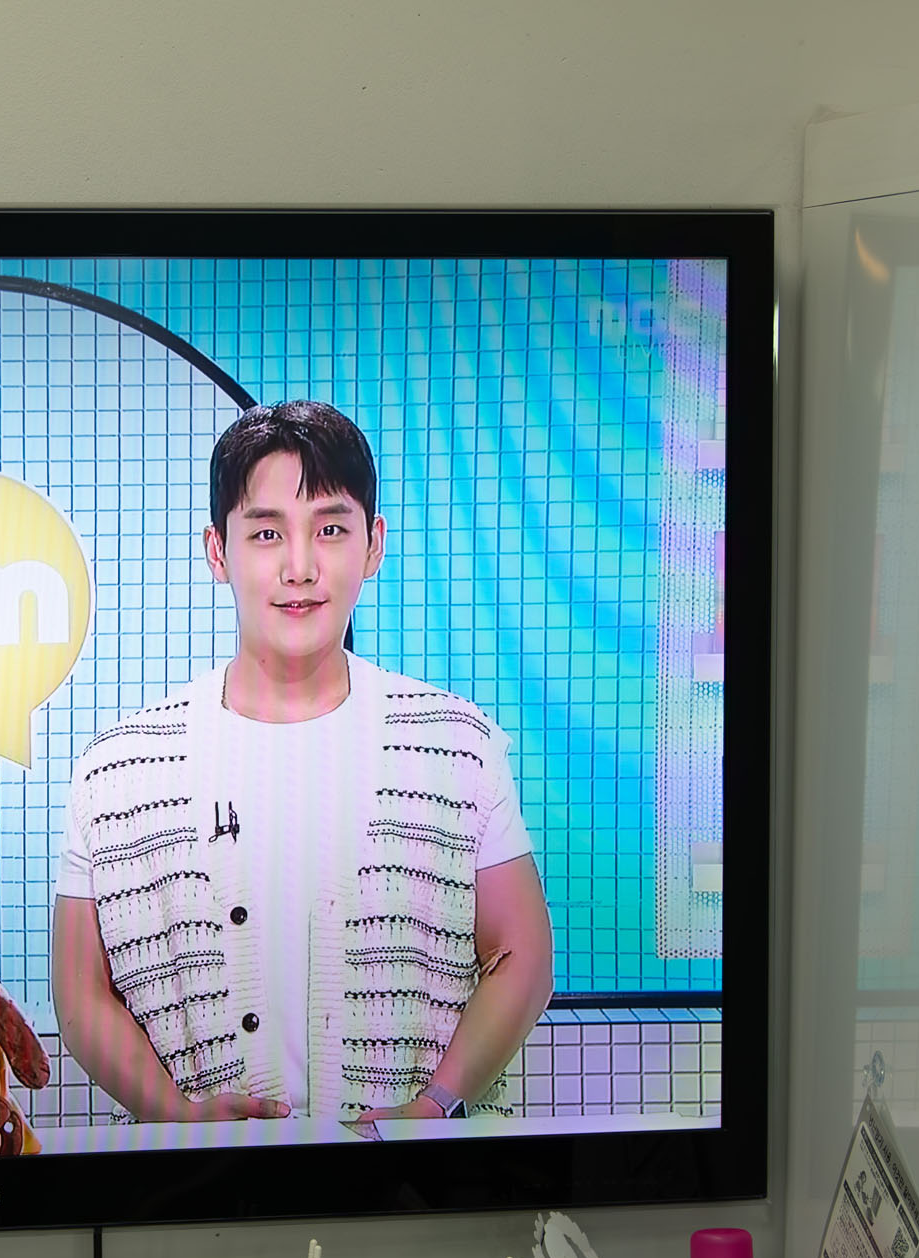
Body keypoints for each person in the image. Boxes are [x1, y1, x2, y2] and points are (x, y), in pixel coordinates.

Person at [50, 401, 554, 1125]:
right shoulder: (119, 769)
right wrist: (176, 1116)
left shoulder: (456, 744)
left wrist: (433, 1107)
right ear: (217, 551)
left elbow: (522, 954)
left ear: (373, 545)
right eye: (266, 533)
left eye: (330, 529)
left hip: (415, 1183)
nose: (300, 567)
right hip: (194, 1186)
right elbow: (79, 991)